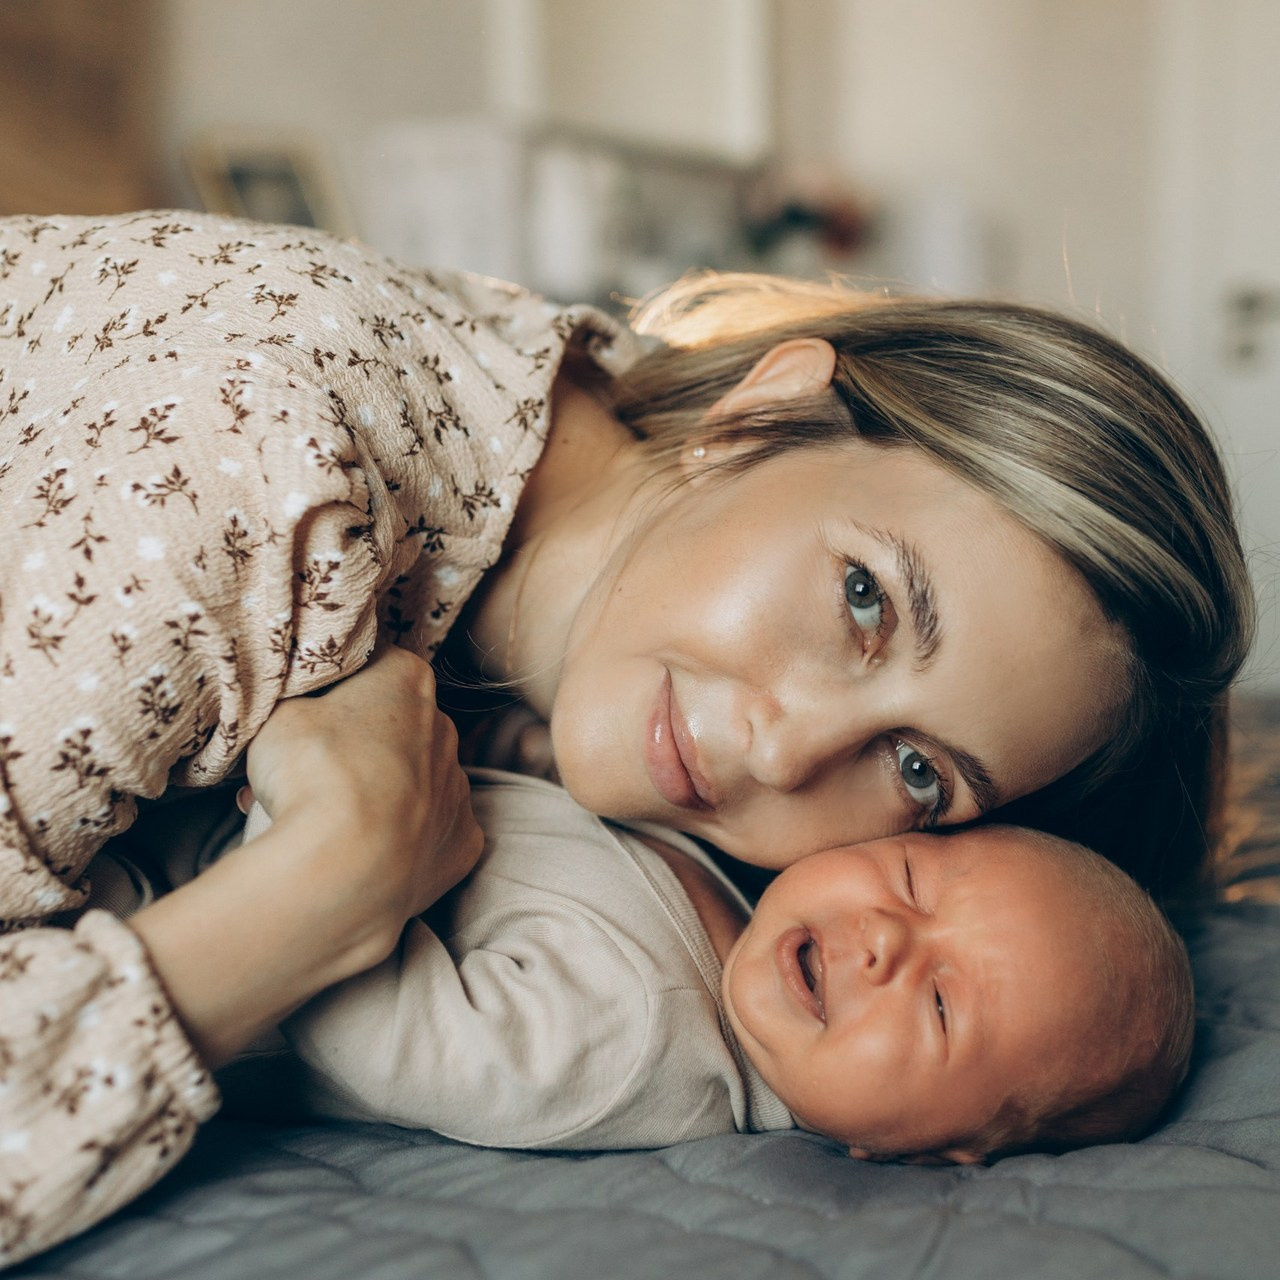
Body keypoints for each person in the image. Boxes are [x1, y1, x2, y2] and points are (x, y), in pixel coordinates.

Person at [0, 210, 1251, 1264]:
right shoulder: (250, 487)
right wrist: (332, 876)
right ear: (761, 414)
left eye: (918, 772)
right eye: (863, 597)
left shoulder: (534, 545)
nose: (782, 752)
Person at [88, 770, 1193, 1163]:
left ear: (946, 1151)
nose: (886, 941)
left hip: (156, 909)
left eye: (943, 1005)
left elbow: (383, 1036)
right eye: (909, 877)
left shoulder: (625, 1044)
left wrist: (315, 811)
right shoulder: (722, 876)